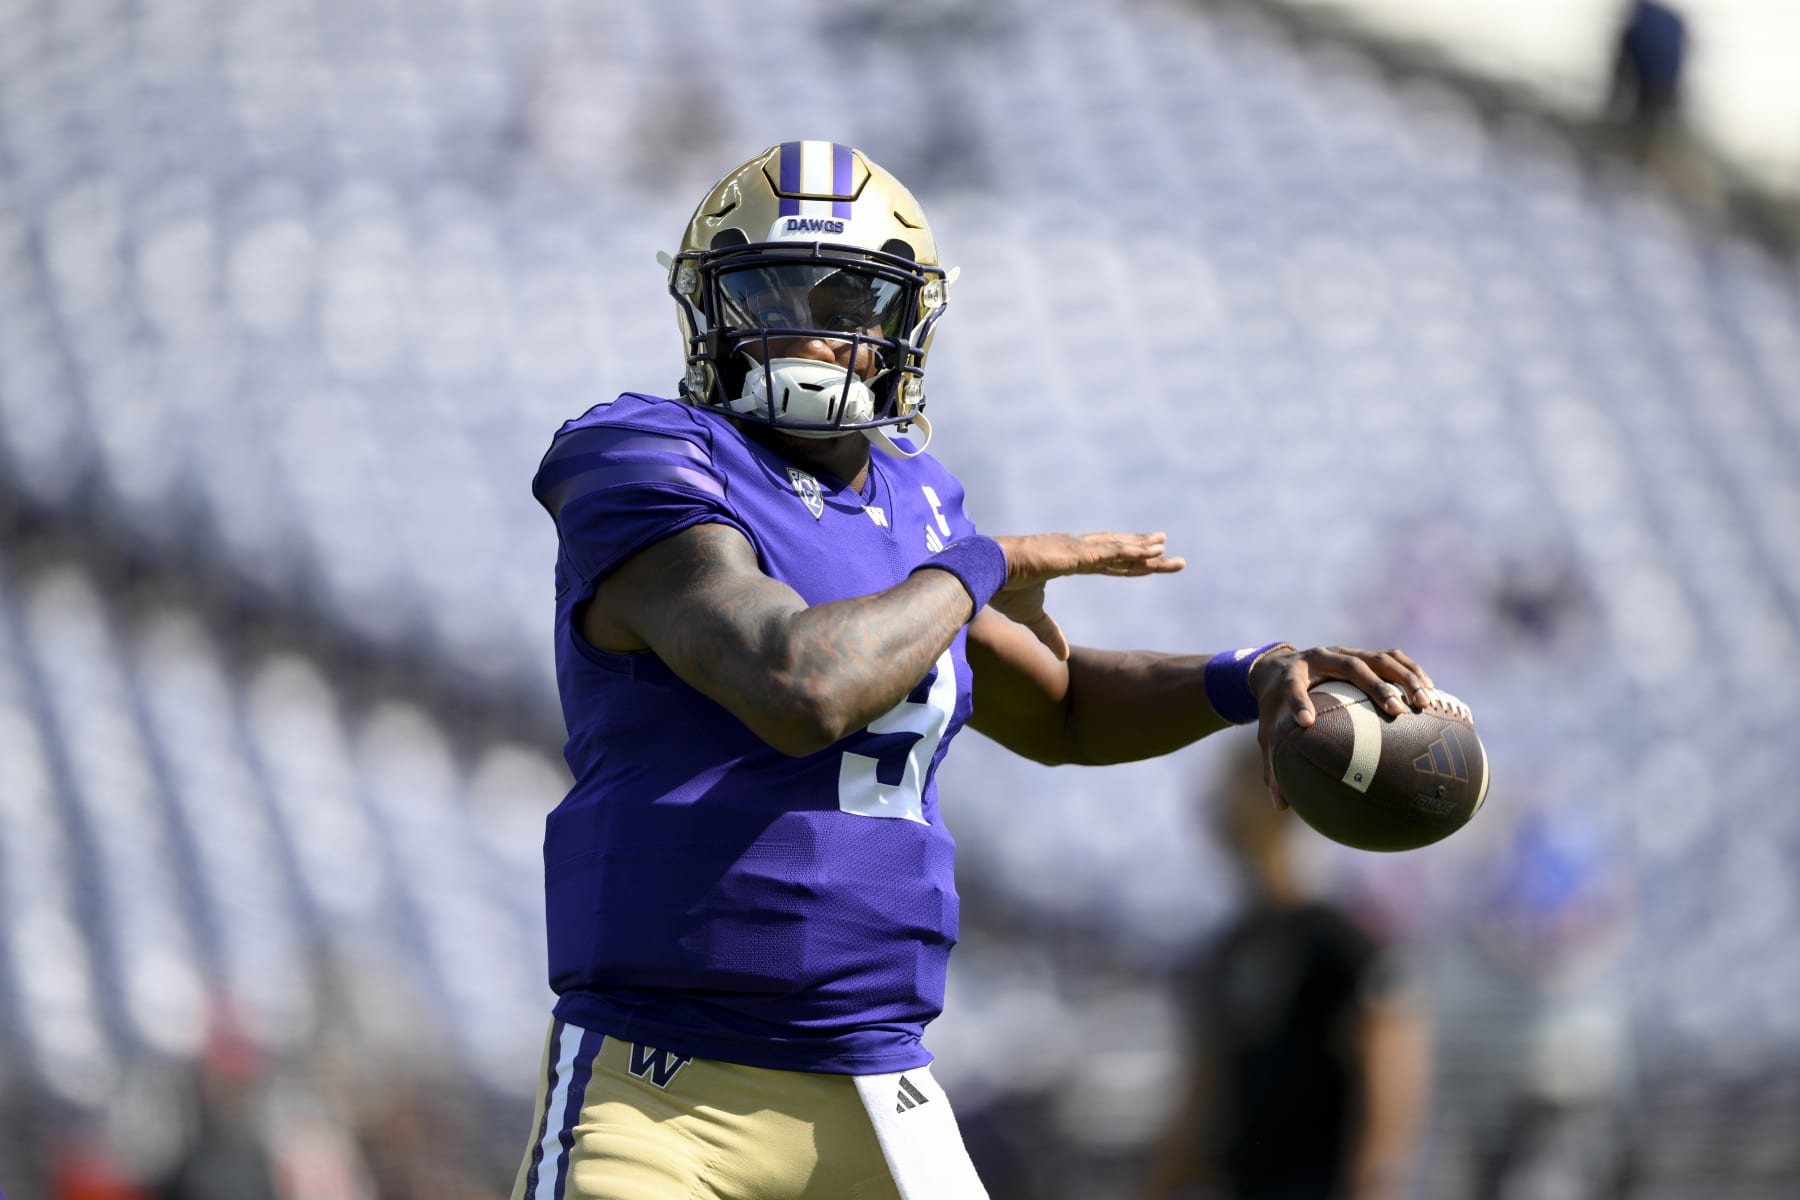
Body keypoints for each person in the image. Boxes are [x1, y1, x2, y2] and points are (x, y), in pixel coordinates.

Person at [516, 140, 1442, 1200]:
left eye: (850, 297)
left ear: (900, 327)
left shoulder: (919, 504)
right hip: (663, 1095)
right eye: (772, 289)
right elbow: (795, 683)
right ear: (710, 306)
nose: (810, 328)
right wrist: (982, 563)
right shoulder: (647, 454)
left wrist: (1249, 673)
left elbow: (1065, 712)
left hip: (882, 1090)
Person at [1142, 744, 1432, 1200]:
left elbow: (1388, 1083)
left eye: (1236, 789)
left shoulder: (1340, 941)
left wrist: (1373, 1187)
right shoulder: (1231, 948)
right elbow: (1208, 1091)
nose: (1221, 807)